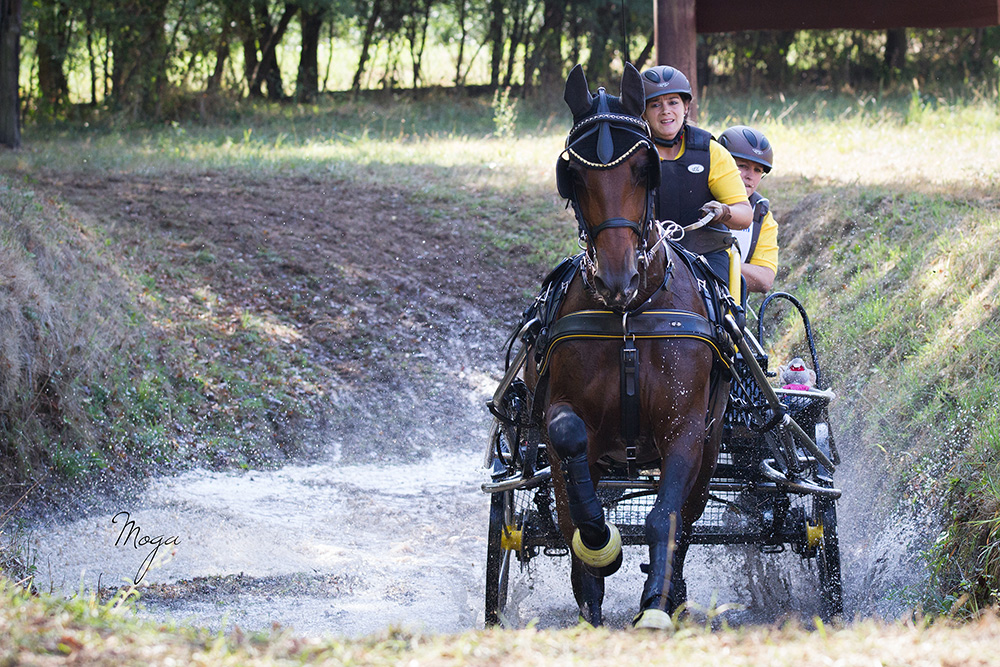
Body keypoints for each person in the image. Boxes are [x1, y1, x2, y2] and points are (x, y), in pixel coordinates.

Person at [639, 65, 752, 284]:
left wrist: (723, 211)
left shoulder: (711, 152)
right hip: (642, 258)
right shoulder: (632, 155)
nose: (665, 111)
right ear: (642, 112)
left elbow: (744, 215)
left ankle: (729, 319)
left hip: (705, 257)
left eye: (673, 102)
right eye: (655, 105)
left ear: (686, 106)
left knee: (718, 304)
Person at [718, 125, 778, 294]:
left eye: (758, 170)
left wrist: (714, 264)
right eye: (743, 166)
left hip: (728, 314)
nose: (750, 175)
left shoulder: (762, 215)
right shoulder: (696, 196)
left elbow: (764, 279)